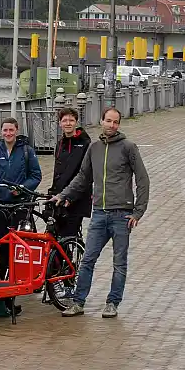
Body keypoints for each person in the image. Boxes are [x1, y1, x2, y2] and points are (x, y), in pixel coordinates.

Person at [54, 107, 150, 319]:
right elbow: (83, 177)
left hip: (122, 215)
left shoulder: (128, 148)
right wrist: (64, 194)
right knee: (88, 259)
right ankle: (78, 302)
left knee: (119, 262)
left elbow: (142, 179)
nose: (111, 125)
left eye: (115, 122)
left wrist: (137, 212)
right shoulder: (94, 148)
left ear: (119, 124)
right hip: (99, 212)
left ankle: (112, 302)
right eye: (108, 121)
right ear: (102, 121)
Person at [0, 116, 42, 315]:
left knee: (18, 249)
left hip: (20, 205)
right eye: (5, 130)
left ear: (16, 131)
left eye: (11, 130)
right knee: (1, 247)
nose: (8, 133)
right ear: (1, 132)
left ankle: (16, 287)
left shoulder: (26, 151)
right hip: (1, 204)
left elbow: (36, 175)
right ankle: (5, 286)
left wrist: (22, 188)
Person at [48, 107, 92, 239]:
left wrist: (71, 197)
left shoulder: (85, 144)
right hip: (59, 198)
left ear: (76, 123)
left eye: (71, 120)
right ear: (60, 123)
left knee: (67, 238)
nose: (68, 123)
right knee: (53, 238)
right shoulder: (60, 143)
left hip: (76, 200)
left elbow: (86, 175)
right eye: (64, 120)